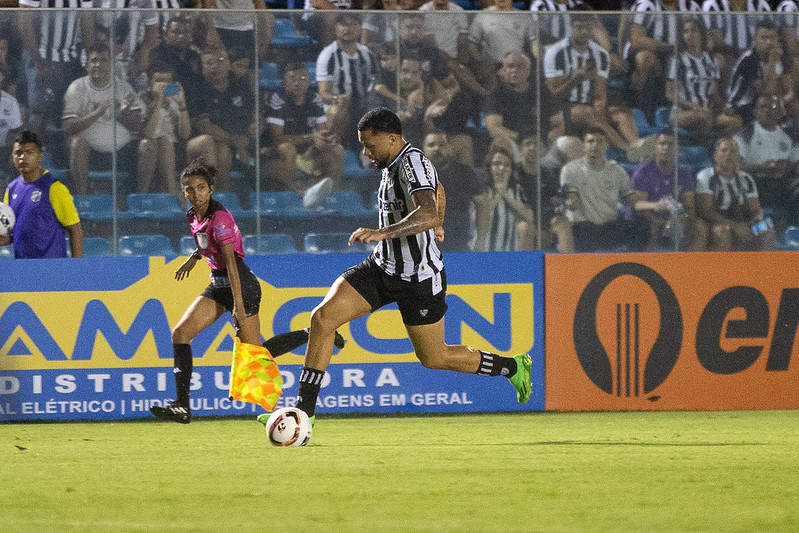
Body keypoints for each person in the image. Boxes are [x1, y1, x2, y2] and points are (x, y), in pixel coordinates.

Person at [288, 108, 532, 433]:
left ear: (392, 138)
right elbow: (438, 191)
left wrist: (388, 231)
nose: (365, 153)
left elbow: (427, 211)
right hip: (381, 268)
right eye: (362, 145)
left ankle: (512, 366)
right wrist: (437, 219)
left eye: (370, 145)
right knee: (322, 319)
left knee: (435, 358)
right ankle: (303, 413)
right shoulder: (393, 165)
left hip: (419, 278)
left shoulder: (412, 162)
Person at [150, 157, 344, 423]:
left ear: (210, 189)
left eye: (200, 188)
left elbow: (231, 261)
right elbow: (209, 245)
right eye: (189, 189)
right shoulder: (193, 215)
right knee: (180, 334)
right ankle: (182, 406)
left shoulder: (219, 217)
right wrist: (194, 257)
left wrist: (238, 305)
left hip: (240, 284)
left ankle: (312, 337)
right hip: (218, 284)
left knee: (255, 357)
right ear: (183, 191)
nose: (195, 193)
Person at [61, 44, 143, 196]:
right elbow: (68, 127)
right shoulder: (77, 88)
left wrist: (123, 113)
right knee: (77, 143)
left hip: (121, 154)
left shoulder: (124, 88)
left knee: (147, 146)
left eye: (104, 60)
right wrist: (97, 113)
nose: (98, 65)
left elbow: (138, 127)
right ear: (86, 65)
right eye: (94, 60)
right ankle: (84, 199)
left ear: (111, 64)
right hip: (90, 154)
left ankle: (140, 199)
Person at [264, 61, 345, 206]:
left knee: (337, 150)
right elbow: (277, 138)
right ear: (284, 81)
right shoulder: (278, 99)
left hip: (308, 149)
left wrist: (327, 139)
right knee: (287, 149)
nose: (297, 83)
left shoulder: (314, 99)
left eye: (302, 78)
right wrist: (310, 137)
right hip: (281, 151)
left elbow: (322, 131)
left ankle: (329, 199)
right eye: (292, 79)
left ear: (308, 81)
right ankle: (290, 200)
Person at [555, 128, 649, 253]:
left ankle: (635, 265)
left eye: (599, 141)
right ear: (584, 146)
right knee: (585, 230)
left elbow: (632, 201)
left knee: (642, 226)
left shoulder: (617, 171)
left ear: (606, 146)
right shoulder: (570, 169)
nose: (595, 145)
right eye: (590, 141)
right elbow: (572, 199)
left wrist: (654, 205)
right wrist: (570, 202)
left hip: (609, 226)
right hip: (583, 227)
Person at [0, 130, 83, 258]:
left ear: (40, 156)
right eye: (18, 153)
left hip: (52, 270)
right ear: (13, 157)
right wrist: (7, 239)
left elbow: (75, 229)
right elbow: (16, 230)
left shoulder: (55, 188)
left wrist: (77, 268)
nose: (23, 157)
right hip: (23, 270)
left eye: (29, 152)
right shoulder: (11, 189)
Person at [666, 17, 742, 146]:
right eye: (685, 32)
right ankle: (700, 151)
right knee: (704, 118)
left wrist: (724, 107)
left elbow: (715, 94)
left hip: (707, 111)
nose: (689, 35)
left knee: (736, 121)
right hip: (682, 113)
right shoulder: (678, 60)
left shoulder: (710, 60)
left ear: (702, 34)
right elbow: (669, 93)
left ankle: (720, 148)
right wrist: (694, 107)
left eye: (693, 31)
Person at [694, 137, 775, 251]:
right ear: (715, 156)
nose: (728, 154)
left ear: (738, 157)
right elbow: (705, 210)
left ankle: (764, 268)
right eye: (724, 150)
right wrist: (735, 226)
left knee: (766, 228)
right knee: (722, 231)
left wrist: (753, 221)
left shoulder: (747, 179)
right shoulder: (706, 176)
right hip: (718, 223)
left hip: (743, 223)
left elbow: (756, 209)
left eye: (732, 151)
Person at [630, 132, 707, 251]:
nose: (666, 147)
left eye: (671, 144)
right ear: (656, 147)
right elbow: (637, 205)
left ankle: (690, 266)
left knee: (699, 226)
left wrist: (685, 218)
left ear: (677, 149)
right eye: (662, 143)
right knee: (653, 228)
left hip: (673, 219)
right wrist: (656, 213)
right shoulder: (643, 173)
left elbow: (689, 205)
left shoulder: (684, 174)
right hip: (648, 217)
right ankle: (651, 266)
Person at [733, 95, 799, 225]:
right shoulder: (746, 134)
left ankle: (791, 232)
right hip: (755, 184)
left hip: (782, 184)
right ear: (755, 112)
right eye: (762, 107)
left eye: (773, 107)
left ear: (781, 112)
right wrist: (761, 167)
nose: (767, 110)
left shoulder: (788, 137)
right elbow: (735, 167)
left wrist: (787, 168)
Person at [422, 131, 482, 252]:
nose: (437, 148)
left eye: (442, 145)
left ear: (450, 148)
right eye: (431, 145)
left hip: (459, 247)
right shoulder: (415, 176)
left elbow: (483, 203)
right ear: (423, 150)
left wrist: (481, 239)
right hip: (425, 251)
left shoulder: (465, 173)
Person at [472, 139, 534, 252]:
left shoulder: (517, 190)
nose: (502, 168)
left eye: (506, 165)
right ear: (489, 167)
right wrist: (498, 195)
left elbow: (529, 217)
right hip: (483, 252)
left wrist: (506, 194)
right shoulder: (480, 189)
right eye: (497, 164)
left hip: (508, 252)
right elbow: (476, 217)